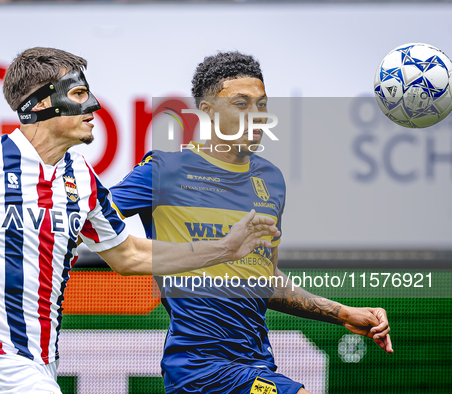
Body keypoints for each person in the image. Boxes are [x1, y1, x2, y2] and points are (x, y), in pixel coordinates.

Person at [0, 47, 281, 394]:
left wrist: (225, 248)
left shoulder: (82, 178)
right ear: (38, 105)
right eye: (78, 93)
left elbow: (130, 255)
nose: (94, 107)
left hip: (39, 365)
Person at [110, 51, 393, 394]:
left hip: (257, 363)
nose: (257, 116)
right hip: (202, 369)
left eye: (262, 104)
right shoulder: (164, 172)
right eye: (241, 103)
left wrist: (342, 313)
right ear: (208, 109)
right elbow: (88, 223)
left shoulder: (270, 180)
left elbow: (265, 280)